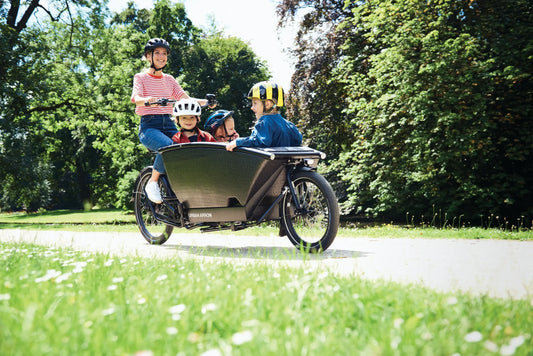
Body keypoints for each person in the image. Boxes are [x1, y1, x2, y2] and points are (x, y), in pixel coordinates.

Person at [131, 38, 211, 203]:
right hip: (149, 127)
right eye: (157, 53)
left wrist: (206, 102)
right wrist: (148, 99)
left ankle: (182, 188)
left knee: (189, 147)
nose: (162, 56)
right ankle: (152, 182)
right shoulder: (140, 77)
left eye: (164, 53)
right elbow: (136, 98)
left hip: (169, 124)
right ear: (148, 56)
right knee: (169, 147)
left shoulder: (169, 80)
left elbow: (185, 99)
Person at [225, 81, 302, 151]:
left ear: (267, 104)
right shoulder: (289, 125)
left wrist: (237, 142)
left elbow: (259, 142)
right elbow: (298, 139)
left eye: (255, 103)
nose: (252, 108)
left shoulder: (265, 121)